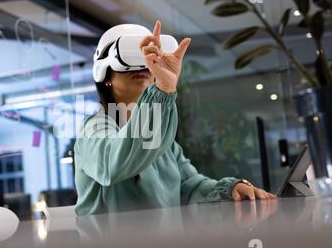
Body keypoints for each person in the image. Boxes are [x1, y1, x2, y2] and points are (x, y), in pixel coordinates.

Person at [74, 21, 276, 215]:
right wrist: (163, 90)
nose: (141, 66)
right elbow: (113, 165)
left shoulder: (163, 138)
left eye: (146, 60)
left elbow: (189, 186)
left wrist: (231, 189)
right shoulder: (94, 129)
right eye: (128, 59)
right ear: (105, 75)